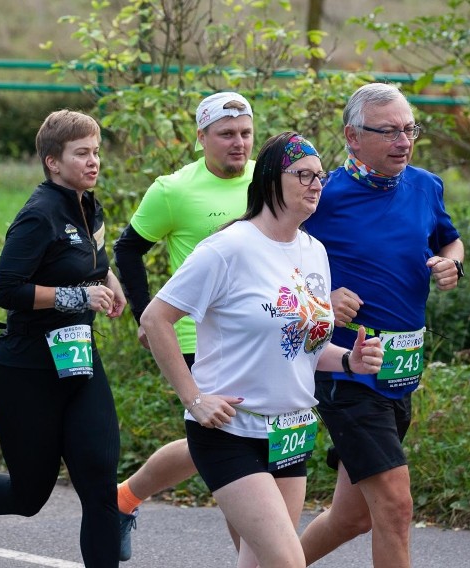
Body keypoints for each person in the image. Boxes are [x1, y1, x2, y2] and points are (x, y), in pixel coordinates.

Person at [139, 131, 384, 568]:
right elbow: (155, 320)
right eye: (304, 175)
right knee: (288, 562)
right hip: (230, 433)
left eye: (320, 177)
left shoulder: (315, 252)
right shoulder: (228, 247)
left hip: (289, 431)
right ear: (272, 179)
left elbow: (305, 345)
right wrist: (194, 398)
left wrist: (348, 361)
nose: (315, 185)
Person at [0, 109, 127, 567]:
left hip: (79, 362)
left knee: (100, 487)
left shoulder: (87, 203)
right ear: (53, 161)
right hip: (27, 370)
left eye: (96, 152)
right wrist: (78, 296)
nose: (94, 162)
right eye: (82, 154)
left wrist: (110, 281)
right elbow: (6, 290)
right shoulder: (39, 215)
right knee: (29, 495)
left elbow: (90, 254)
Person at [299, 83, 465, 568]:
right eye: (388, 131)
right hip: (347, 370)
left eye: (410, 129)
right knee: (395, 505)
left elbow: (450, 241)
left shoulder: (425, 185)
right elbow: (266, 260)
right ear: (352, 136)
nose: (404, 141)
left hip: (400, 375)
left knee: (353, 517)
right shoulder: (321, 193)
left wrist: (449, 262)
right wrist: (320, 300)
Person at [111, 91, 255, 559]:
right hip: (199, 339)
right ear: (201, 139)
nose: (239, 143)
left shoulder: (267, 180)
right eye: (226, 134)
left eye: (246, 133)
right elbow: (128, 249)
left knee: (216, 446)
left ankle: (123, 498)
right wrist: (147, 316)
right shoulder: (174, 190)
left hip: (261, 335)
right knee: (238, 454)